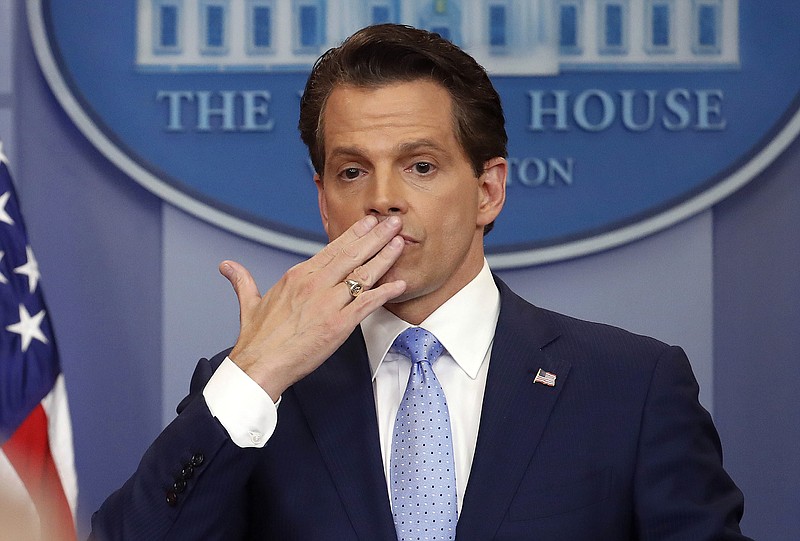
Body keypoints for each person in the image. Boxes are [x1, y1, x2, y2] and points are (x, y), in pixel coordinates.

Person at [91, 24, 750, 540]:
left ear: (488, 189)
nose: (383, 199)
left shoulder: (631, 386)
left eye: (421, 166)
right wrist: (256, 371)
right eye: (352, 172)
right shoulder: (255, 391)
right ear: (324, 203)